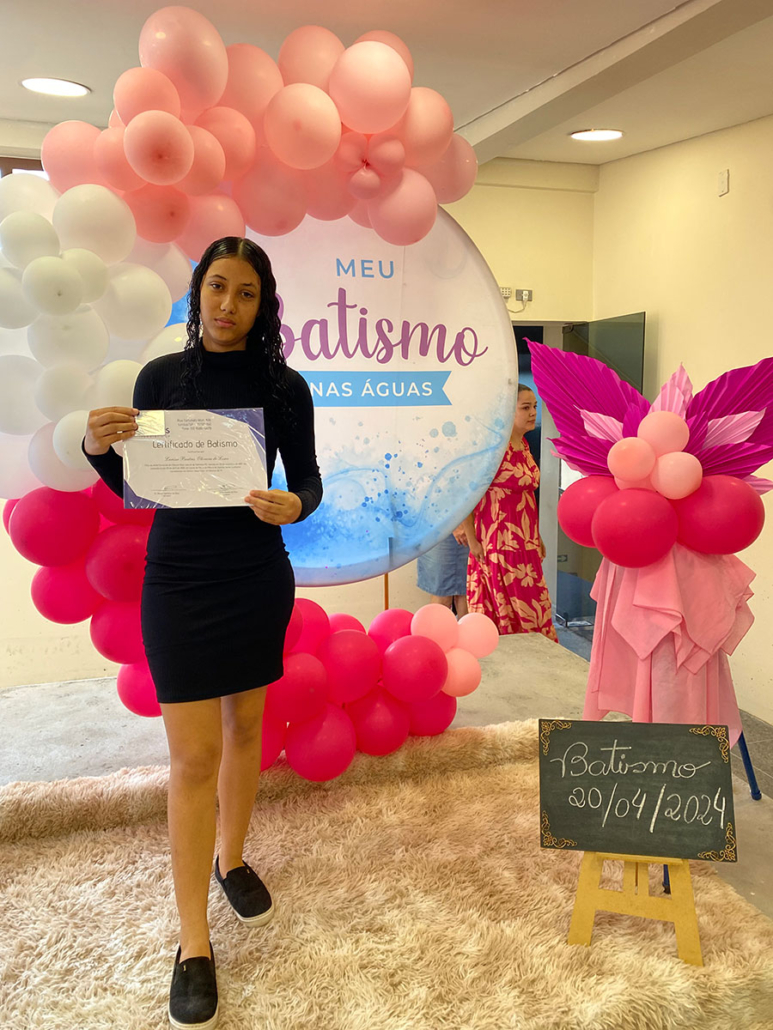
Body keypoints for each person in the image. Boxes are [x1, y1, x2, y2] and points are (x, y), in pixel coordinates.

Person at [83, 236, 322, 1030]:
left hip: (255, 576)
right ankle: (193, 943)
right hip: (179, 582)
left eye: (245, 293)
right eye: (217, 287)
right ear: (198, 294)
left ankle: (232, 857)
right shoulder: (160, 378)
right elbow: (138, 487)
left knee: (246, 727)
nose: (228, 305)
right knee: (192, 758)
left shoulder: (284, 387)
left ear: (263, 305)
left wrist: (298, 504)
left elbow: (307, 478)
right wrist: (97, 447)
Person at [457, 384, 557, 641]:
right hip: (497, 542)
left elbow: (525, 497)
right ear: (506, 412)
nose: (533, 413)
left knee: (534, 606)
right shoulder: (492, 449)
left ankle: (534, 658)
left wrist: (537, 536)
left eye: (534, 406)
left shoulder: (523, 444)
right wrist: (473, 540)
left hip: (525, 541)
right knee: (509, 610)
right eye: (525, 408)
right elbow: (466, 495)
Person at [416, 533, 469, 616]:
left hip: (470, 530)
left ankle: (466, 624)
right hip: (441, 531)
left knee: (467, 591)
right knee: (442, 593)